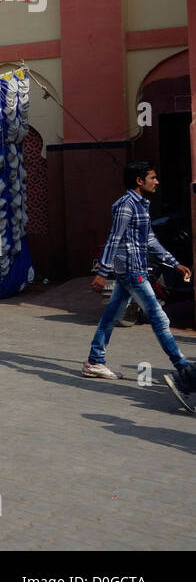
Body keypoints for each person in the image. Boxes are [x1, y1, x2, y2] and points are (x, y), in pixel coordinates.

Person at [85, 161, 196, 410]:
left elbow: (150, 239)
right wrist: (103, 272)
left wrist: (174, 263)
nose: (156, 182)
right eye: (152, 178)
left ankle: (95, 360)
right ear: (139, 181)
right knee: (159, 318)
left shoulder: (142, 206)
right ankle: (184, 372)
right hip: (131, 271)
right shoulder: (126, 206)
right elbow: (114, 237)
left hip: (133, 268)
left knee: (112, 315)